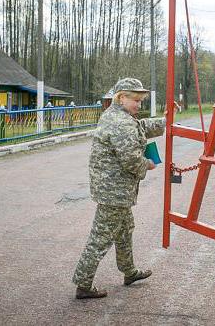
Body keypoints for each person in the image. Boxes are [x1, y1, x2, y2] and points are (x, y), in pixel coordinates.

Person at [72, 78, 177, 299]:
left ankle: (129, 272)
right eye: (135, 100)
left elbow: (140, 128)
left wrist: (166, 120)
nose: (139, 105)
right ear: (121, 98)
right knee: (100, 238)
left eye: (140, 101)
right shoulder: (120, 122)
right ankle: (83, 284)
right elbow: (131, 160)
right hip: (114, 192)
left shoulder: (118, 116)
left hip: (114, 190)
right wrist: (147, 165)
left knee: (124, 230)